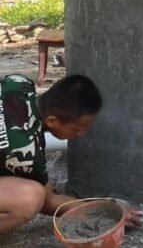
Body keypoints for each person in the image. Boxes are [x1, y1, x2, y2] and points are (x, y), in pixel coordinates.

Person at [1, 73, 101, 234]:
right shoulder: (25, 152)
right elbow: (50, 201)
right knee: (30, 198)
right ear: (52, 121)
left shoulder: (17, 81)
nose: (81, 134)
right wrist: (99, 211)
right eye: (77, 129)